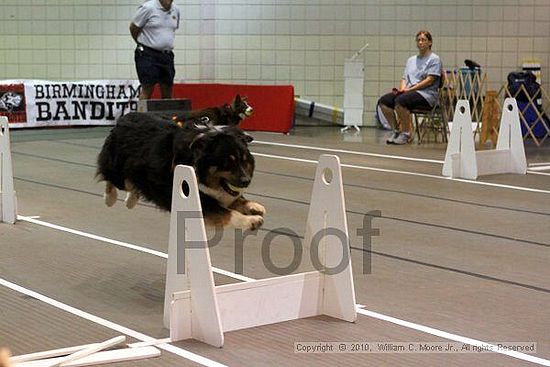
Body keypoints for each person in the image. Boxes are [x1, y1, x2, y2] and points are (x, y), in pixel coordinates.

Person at [378, 30, 442, 145]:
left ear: (430, 42)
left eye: (423, 40)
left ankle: (406, 134)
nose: (420, 42)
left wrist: (409, 90)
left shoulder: (434, 59)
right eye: (418, 40)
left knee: (401, 100)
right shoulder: (411, 60)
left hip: (426, 94)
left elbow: (429, 80)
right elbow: (404, 78)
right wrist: (402, 89)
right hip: (409, 92)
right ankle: (396, 131)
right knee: (384, 101)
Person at [130, 0, 180, 100]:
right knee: (147, 88)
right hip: (148, 54)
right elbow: (133, 28)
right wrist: (140, 44)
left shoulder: (176, 10)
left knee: (167, 88)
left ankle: (166, 115)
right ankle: (141, 115)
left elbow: (170, 30)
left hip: (167, 55)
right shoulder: (148, 8)